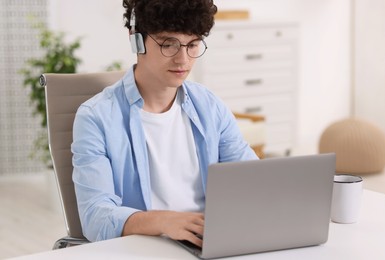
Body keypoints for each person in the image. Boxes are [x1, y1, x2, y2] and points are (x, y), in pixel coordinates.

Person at [72, 0, 258, 248]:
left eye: (192, 45)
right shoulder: (96, 117)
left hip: (209, 243)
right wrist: (164, 222)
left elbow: (253, 180)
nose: (183, 59)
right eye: (168, 44)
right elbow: (96, 218)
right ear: (136, 40)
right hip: (144, 247)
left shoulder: (209, 106)